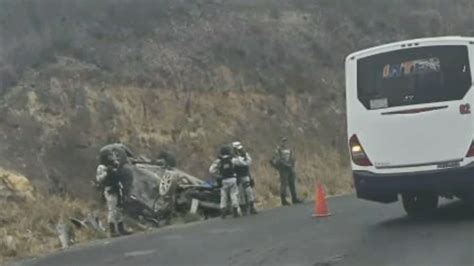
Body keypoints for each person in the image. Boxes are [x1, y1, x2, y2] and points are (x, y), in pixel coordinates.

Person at [96, 145, 132, 237]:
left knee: (119, 209)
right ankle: (112, 231)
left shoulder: (114, 164)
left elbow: (119, 174)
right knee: (112, 210)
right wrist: (108, 172)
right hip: (109, 189)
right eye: (109, 156)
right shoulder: (102, 167)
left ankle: (121, 228)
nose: (111, 157)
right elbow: (99, 179)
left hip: (117, 188)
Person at [209, 145, 248, 218]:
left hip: (223, 180)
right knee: (234, 194)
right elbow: (242, 163)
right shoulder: (232, 159)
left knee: (223, 196)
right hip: (232, 179)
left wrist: (217, 174)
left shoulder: (218, 161)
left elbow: (211, 170)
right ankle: (235, 210)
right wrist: (238, 157)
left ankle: (223, 211)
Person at [270, 137, 302, 206]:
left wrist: (292, 164)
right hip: (283, 168)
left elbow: (292, 157)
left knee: (292, 183)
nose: (285, 143)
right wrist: (284, 164)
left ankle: (294, 198)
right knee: (284, 184)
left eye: (285, 141)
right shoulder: (278, 150)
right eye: (283, 141)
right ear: (281, 142)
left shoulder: (289, 149)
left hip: (290, 168)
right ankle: (283, 200)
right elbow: (277, 159)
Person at [232, 141, 257, 215]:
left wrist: (241, 160)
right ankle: (244, 209)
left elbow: (248, 162)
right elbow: (238, 163)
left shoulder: (245, 154)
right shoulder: (232, 156)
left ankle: (252, 207)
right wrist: (242, 160)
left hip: (245, 175)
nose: (239, 150)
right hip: (237, 176)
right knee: (240, 193)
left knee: (249, 191)